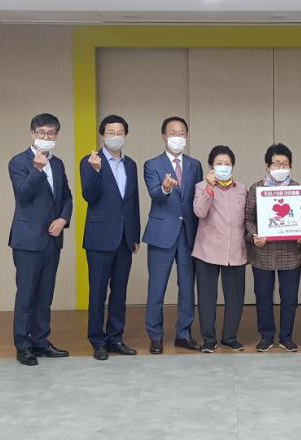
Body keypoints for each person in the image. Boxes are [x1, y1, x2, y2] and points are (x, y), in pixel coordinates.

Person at [8, 113, 72, 366]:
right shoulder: (18, 162)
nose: (46, 137)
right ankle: (23, 345)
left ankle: (41, 342)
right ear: (33, 133)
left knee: (45, 294)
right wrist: (36, 169)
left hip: (52, 239)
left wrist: (63, 218)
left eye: (51, 133)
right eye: (42, 133)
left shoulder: (58, 164)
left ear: (57, 135)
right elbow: (23, 196)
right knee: (26, 295)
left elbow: (66, 195)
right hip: (27, 240)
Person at [80, 115, 141, 361]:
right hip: (100, 238)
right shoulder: (90, 161)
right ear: (102, 135)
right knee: (97, 292)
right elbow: (89, 196)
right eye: (110, 132)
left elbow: (133, 202)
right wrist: (96, 172)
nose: (115, 136)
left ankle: (115, 338)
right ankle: (97, 341)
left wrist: (135, 234)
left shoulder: (131, 164)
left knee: (119, 291)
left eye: (119, 132)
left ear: (125, 135)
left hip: (125, 238)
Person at [142, 116, 203, 354]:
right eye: (173, 133)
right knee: (157, 288)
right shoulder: (152, 164)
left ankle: (184, 334)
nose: (177, 137)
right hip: (161, 233)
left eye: (181, 133)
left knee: (187, 287)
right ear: (163, 137)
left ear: (186, 136)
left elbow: (197, 197)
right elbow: (155, 194)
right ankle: (155, 336)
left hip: (188, 234)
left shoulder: (195, 165)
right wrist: (165, 188)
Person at [245, 143, 301, 352]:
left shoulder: (297, 189)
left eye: (284, 164)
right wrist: (254, 236)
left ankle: (286, 337)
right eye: (276, 163)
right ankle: (266, 336)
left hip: (290, 253)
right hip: (263, 252)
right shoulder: (256, 188)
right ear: (267, 166)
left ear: (291, 166)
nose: (280, 167)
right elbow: (248, 218)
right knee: (263, 295)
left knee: (290, 298)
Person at [193, 145, 247, 353]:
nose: (223, 167)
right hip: (207, 250)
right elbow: (199, 212)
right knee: (207, 298)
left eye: (227, 163)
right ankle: (209, 339)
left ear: (233, 166)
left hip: (235, 250)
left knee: (235, 298)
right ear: (211, 166)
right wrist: (209, 188)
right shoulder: (201, 187)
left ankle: (230, 337)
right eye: (219, 163)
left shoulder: (241, 188)